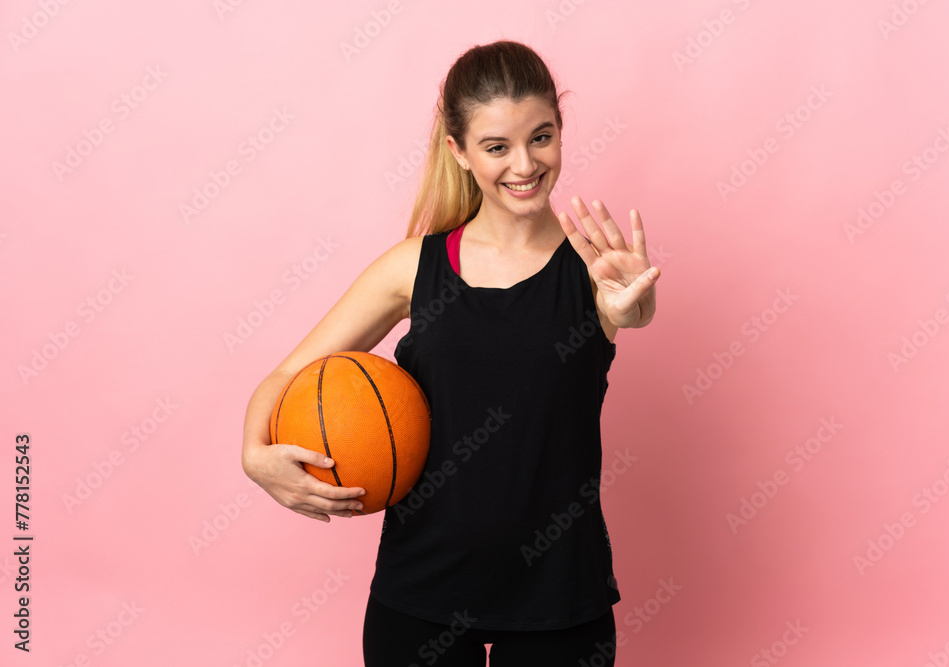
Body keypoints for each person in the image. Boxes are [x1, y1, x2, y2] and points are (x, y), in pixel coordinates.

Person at [241, 40, 659, 666]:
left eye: (541, 137)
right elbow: (287, 374)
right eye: (497, 147)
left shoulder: (595, 271)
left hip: (560, 597)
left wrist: (630, 308)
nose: (525, 163)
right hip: (421, 595)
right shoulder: (413, 268)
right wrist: (254, 454)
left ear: (561, 132)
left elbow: (633, 310)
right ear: (459, 152)